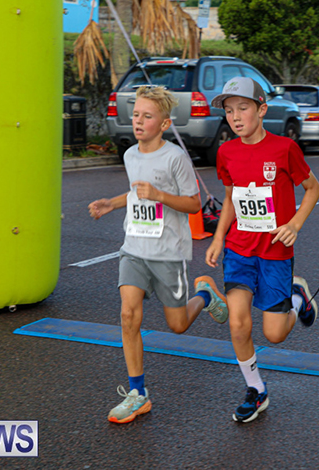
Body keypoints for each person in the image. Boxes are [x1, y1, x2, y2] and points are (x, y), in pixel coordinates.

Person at [88, 85, 228, 424]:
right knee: (128, 315)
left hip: (168, 253)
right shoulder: (130, 155)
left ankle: (204, 296)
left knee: (177, 325)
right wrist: (113, 203)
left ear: (164, 124)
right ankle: (138, 394)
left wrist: (160, 195)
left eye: (146, 116)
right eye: (135, 114)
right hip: (134, 247)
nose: (138, 121)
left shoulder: (175, 158)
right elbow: (138, 192)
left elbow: (194, 203)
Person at [205, 77, 319, 423]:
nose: (236, 117)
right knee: (239, 324)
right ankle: (256, 389)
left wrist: (295, 225)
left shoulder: (284, 148)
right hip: (239, 250)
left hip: (274, 252)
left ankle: (297, 297)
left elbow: (313, 189)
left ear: (262, 109)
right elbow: (229, 198)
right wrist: (217, 238)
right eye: (229, 111)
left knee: (274, 333)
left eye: (243, 108)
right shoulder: (226, 152)